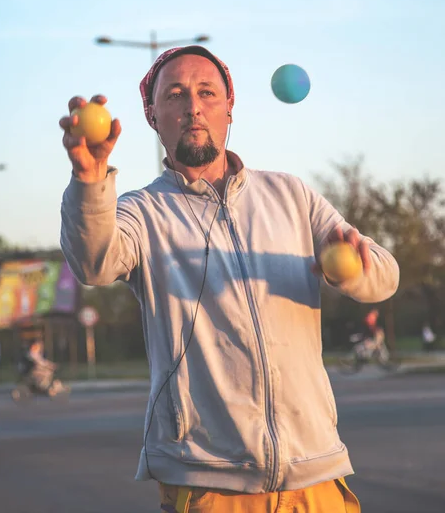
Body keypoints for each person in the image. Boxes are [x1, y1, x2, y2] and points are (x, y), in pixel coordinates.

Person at [59, 46, 400, 512]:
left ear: (229, 107)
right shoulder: (142, 212)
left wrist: (355, 268)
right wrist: (89, 177)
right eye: (175, 95)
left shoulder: (290, 195)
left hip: (315, 474)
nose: (193, 106)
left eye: (206, 93)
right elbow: (93, 261)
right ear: (153, 115)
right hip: (210, 485)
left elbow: (384, 277)